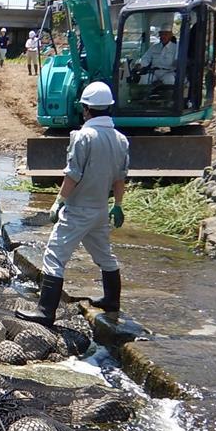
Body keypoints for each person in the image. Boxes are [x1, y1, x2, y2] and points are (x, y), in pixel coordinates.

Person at [17, 82, 129, 327]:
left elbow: (73, 175)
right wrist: (118, 205)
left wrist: (59, 202)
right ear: (108, 108)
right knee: (104, 256)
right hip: (100, 210)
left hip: (78, 210)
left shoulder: (84, 137)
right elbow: (120, 177)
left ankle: (45, 312)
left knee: (54, 257)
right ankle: (112, 300)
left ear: (86, 109)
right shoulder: (121, 140)